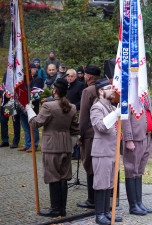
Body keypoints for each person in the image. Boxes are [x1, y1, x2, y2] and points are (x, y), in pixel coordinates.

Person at [26, 78, 79, 217]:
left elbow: (36, 123)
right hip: (66, 146)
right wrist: (71, 143)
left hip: (51, 146)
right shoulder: (72, 107)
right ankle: (62, 208)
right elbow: (75, 129)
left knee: (53, 177)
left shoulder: (48, 106)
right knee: (64, 177)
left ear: (54, 90)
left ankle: (56, 209)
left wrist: (29, 111)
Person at [90, 78, 123, 224]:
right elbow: (101, 127)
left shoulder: (111, 107)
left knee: (109, 184)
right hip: (102, 151)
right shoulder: (97, 108)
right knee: (101, 183)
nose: (112, 90)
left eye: (112, 87)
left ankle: (108, 211)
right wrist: (116, 114)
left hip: (112, 151)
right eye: (109, 88)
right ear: (100, 91)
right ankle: (100, 215)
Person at [122, 93, 152, 215]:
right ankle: (133, 205)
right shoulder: (128, 94)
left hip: (146, 137)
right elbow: (125, 118)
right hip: (134, 139)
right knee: (131, 170)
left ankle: (139, 203)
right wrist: (128, 139)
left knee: (139, 171)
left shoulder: (144, 93)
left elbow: (149, 113)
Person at [77, 65, 100, 209]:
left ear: (89, 76)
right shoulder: (107, 87)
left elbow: (83, 116)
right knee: (101, 165)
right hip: (104, 132)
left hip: (90, 134)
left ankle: (92, 200)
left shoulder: (88, 91)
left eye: (85, 75)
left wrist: (79, 135)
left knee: (90, 164)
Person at [18, 63, 43, 152]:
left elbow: (34, 91)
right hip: (23, 106)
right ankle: (27, 144)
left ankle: (34, 145)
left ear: (35, 69)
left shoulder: (38, 79)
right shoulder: (24, 79)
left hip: (32, 106)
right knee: (25, 127)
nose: (30, 70)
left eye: (32, 68)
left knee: (33, 126)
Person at [0, 72, 20, 148]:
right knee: (3, 121)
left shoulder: (19, 73)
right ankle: (5, 140)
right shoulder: (6, 74)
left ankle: (15, 141)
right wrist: (5, 93)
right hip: (5, 101)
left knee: (16, 122)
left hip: (15, 101)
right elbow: (3, 86)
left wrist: (13, 94)